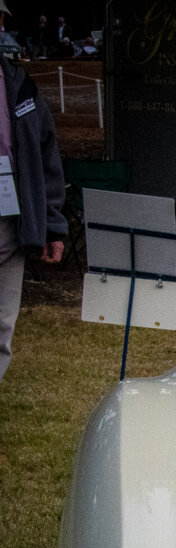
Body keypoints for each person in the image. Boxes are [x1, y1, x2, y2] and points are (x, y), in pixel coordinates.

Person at [0, 0, 66, 383]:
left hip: (12, 225)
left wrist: (53, 225)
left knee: (3, 329)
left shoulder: (19, 84)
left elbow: (46, 155)